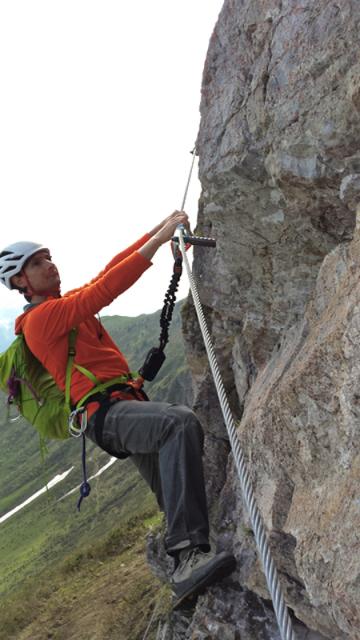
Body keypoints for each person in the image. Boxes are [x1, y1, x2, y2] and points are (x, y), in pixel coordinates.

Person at [0, 210, 235, 605]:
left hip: (123, 405)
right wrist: (161, 238)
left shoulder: (63, 306)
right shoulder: (42, 320)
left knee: (170, 484)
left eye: (48, 257)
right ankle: (186, 556)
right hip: (105, 416)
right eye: (37, 263)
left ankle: (190, 578)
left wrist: (157, 229)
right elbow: (107, 288)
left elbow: (107, 271)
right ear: (20, 281)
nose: (50, 265)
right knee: (178, 424)